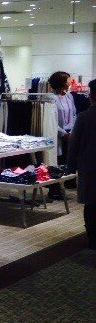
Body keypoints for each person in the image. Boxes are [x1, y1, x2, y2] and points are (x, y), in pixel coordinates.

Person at [65, 79, 96, 250]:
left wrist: (70, 168)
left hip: (90, 167)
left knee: (91, 205)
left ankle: (93, 239)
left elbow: (74, 144)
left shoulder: (84, 117)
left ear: (92, 96)